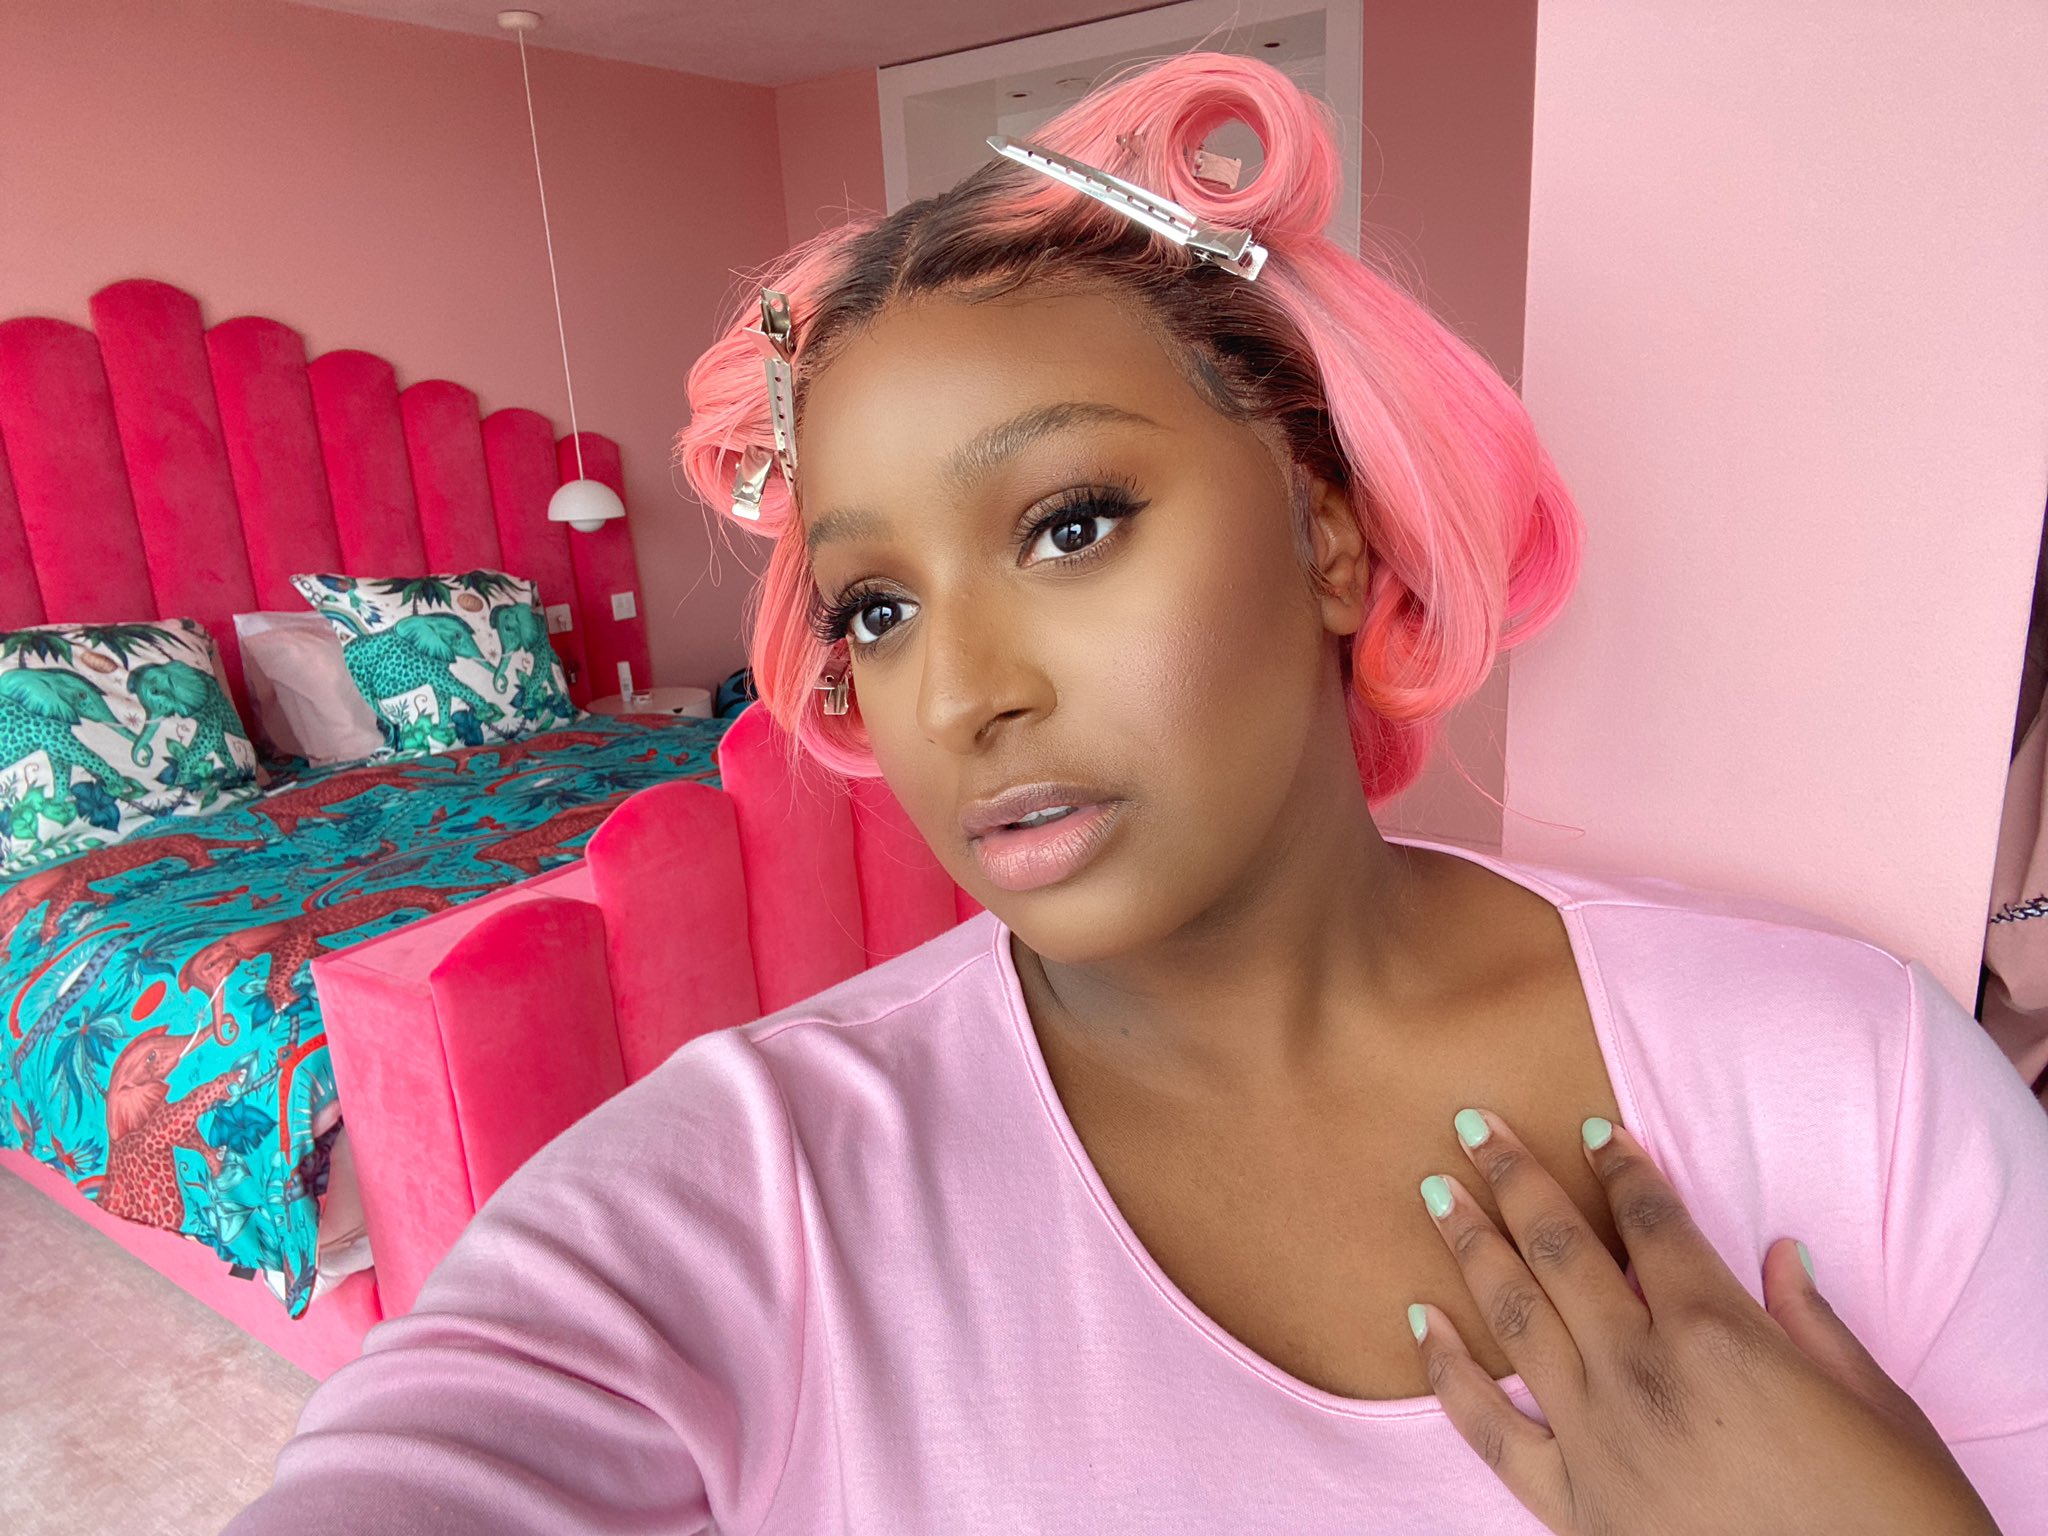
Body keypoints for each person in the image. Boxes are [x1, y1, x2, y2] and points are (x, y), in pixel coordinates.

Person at [226, 51, 2048, 1534]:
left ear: (1329, 538)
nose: (964, 695)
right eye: (877, 609)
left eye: (1071, 524)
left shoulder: (1856, 1083)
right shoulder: (742, 1195)